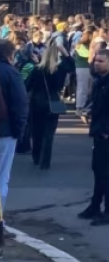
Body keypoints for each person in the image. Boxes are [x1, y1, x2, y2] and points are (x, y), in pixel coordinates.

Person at [77, 50, 109, 226]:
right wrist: (90, 110)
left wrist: (107, 130)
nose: (97, 63)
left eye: (101, 61)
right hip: (99, 129)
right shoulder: (101, 81)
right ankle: (95, 205)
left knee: (105, 171)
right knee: (97, 169)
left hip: (108, 132)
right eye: (95, 60)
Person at [26, 41, 74, 169]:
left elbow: (26, 86)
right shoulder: (60, 70)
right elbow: (71, 65)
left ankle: (36, 157)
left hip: (36, 102)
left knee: (37, 132)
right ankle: (45, 161)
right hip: (53, 101)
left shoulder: (37, 70)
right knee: (48, 133)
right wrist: (64, 51)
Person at [0, 39, 28, 212]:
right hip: (5, 131)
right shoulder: (11, 73)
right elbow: (20, 105)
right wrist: (19, 131)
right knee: (2, 177)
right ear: (10, 54)